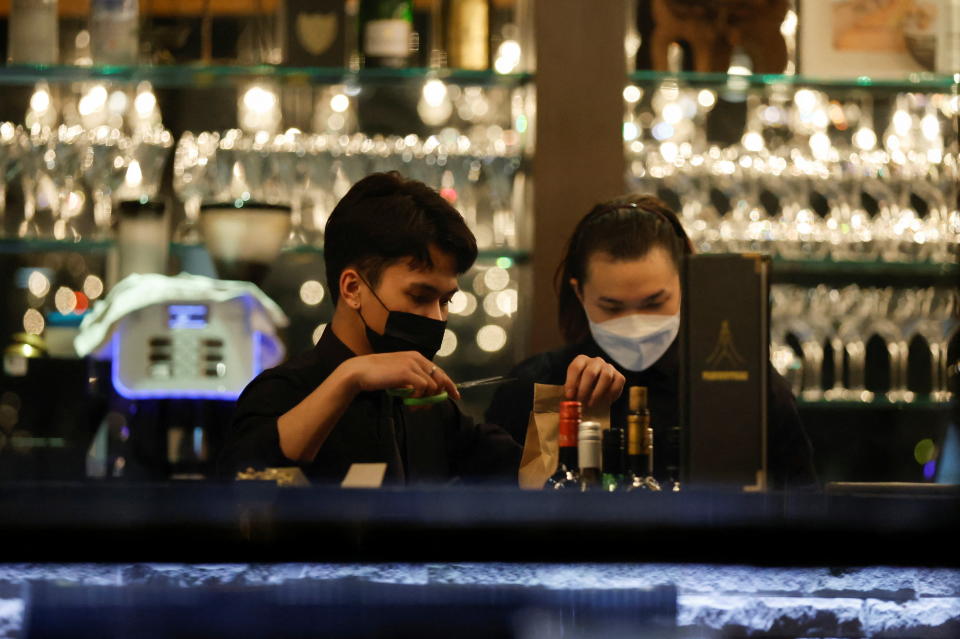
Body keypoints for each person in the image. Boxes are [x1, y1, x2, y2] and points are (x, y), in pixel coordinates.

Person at [485, 195, 817, 490]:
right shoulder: (536, 384)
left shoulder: (742, 389)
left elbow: (803, 516)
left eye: (655, 303)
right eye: (612, 307)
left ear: (686, 284)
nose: (635, 320)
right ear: (579, 293)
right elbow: (497, 524)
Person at [220, 172, 524, 485]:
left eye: (445, 301)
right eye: (419, 296)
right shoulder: (282, 392)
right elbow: (245, 484)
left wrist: (571, 407)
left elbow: (534, 476)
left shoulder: (430, 407)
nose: (435, 317)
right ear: (353, 288)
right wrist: (350, 378)